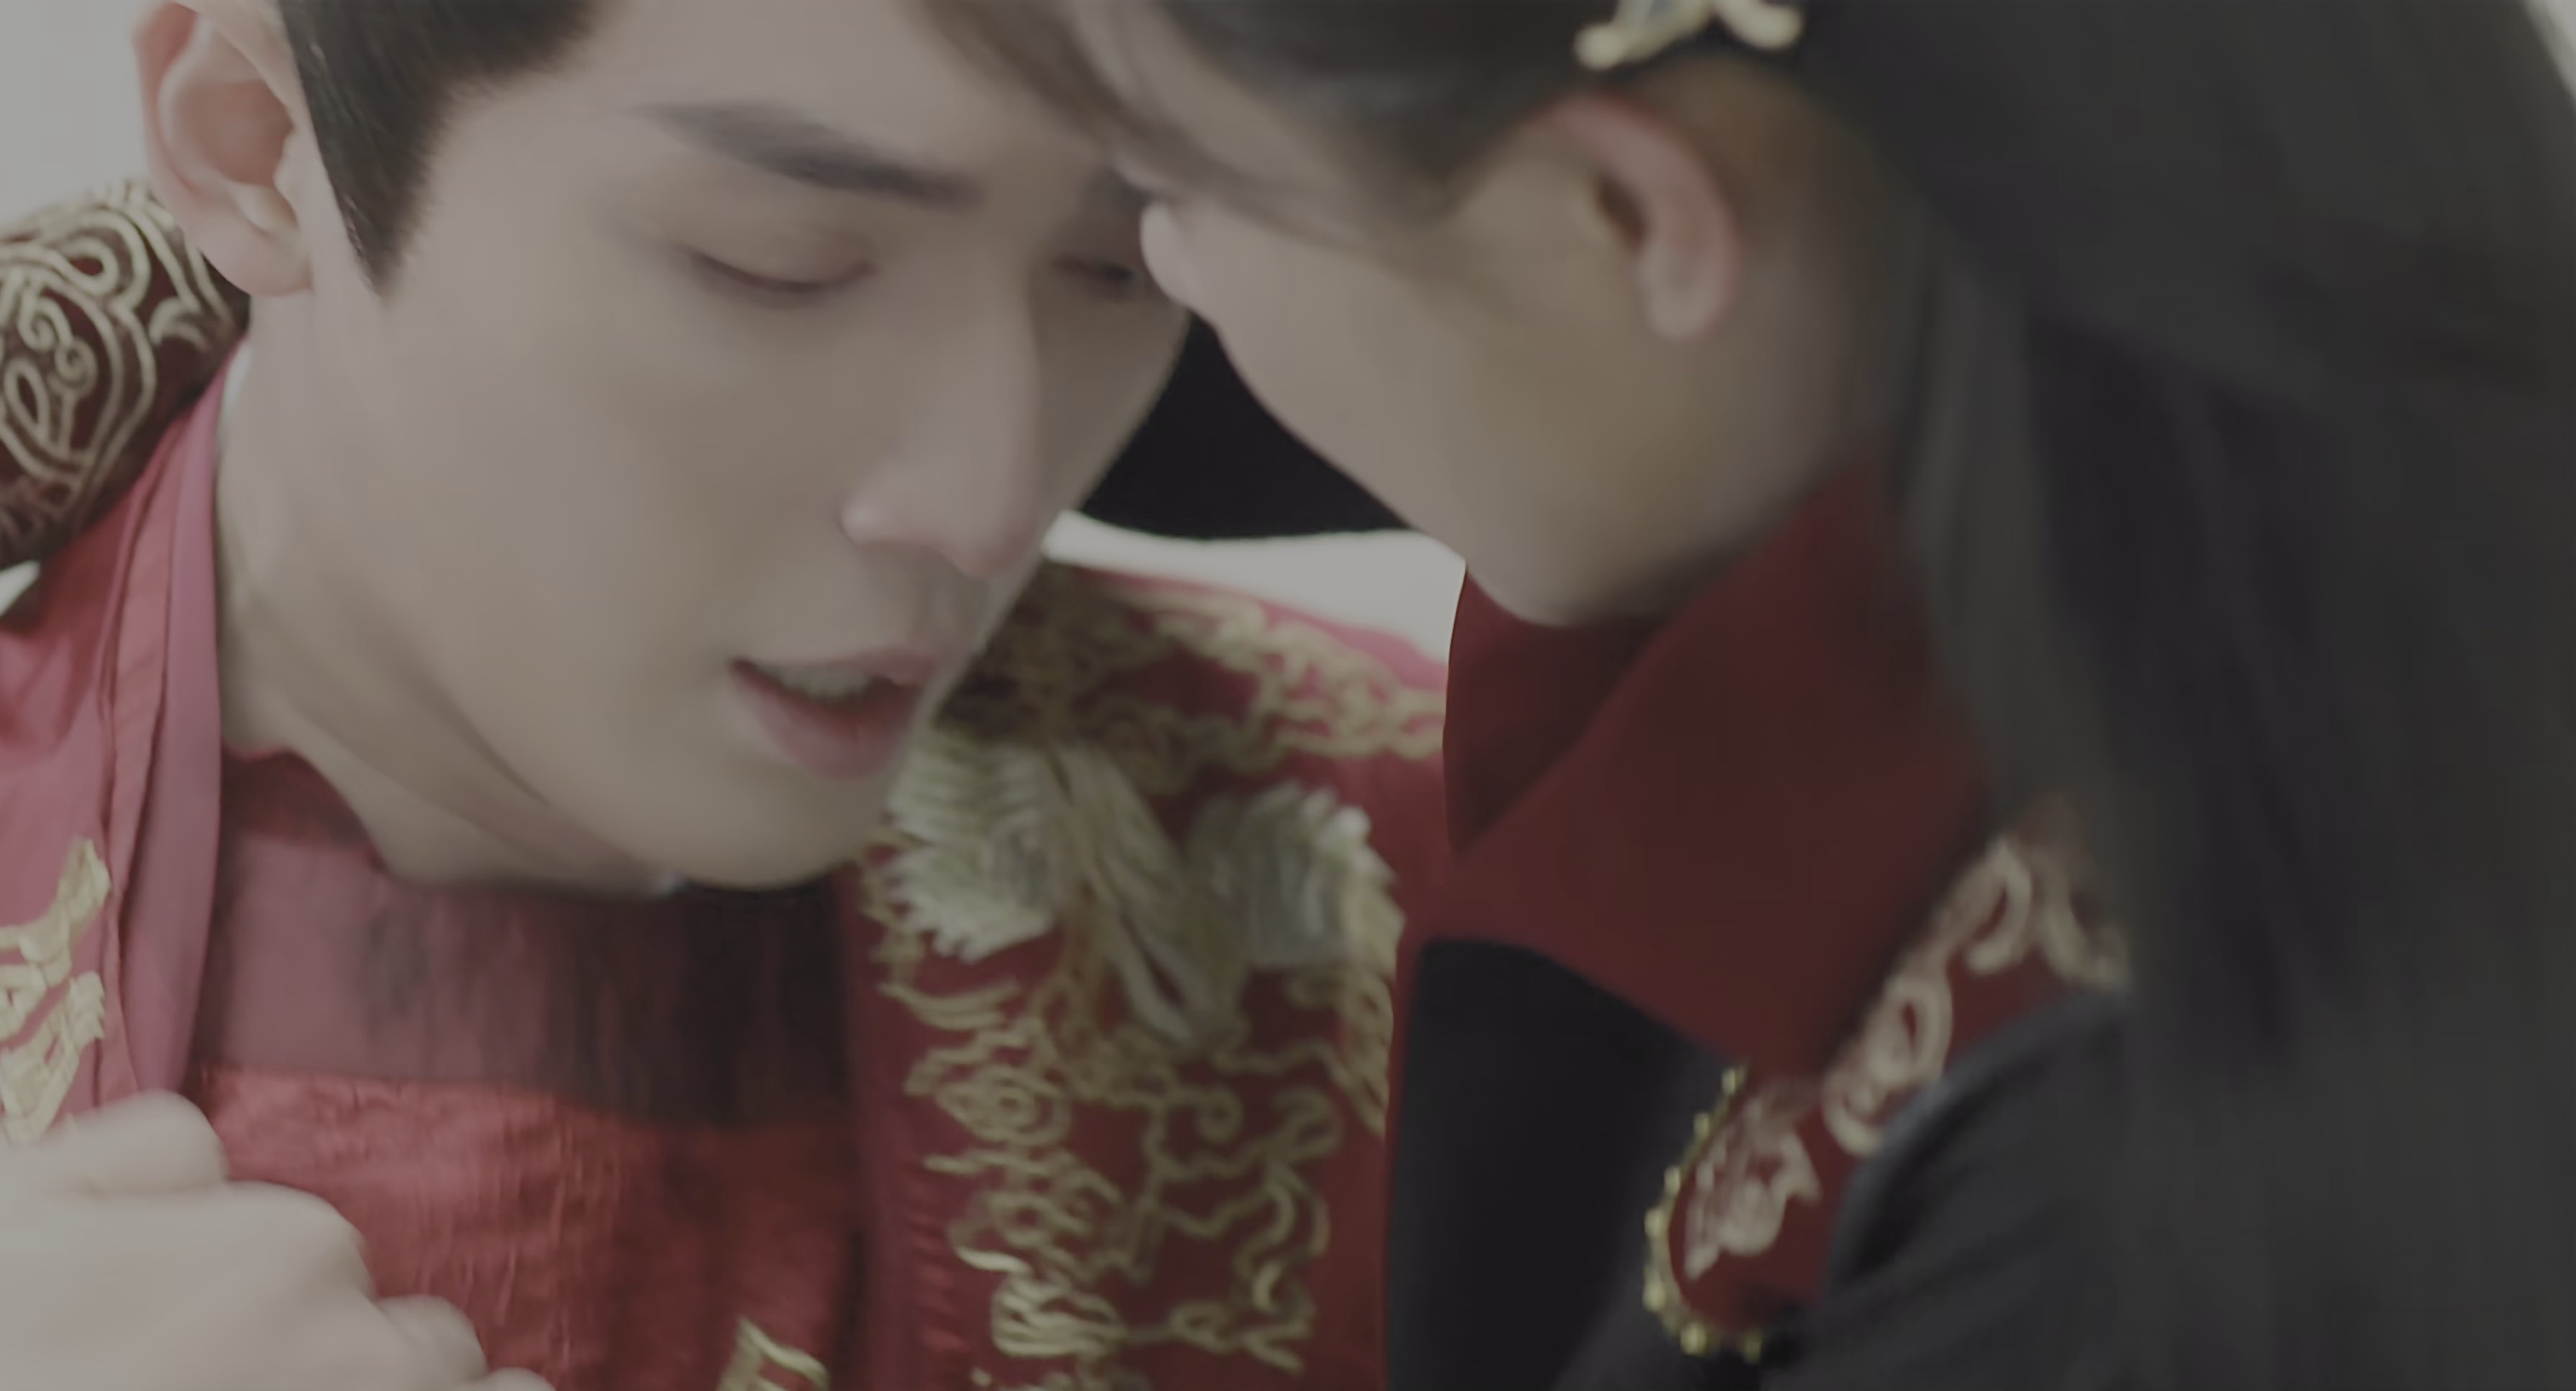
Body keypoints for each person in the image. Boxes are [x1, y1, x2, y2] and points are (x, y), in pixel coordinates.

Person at [0, 3, 1466, 1388]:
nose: (988, 494)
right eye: (778, 266)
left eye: (1122, 262)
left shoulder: (1380, 881)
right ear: (249, 143)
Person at [915, 1, 2576, 1388]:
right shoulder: (2190, 294)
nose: (1174, 277)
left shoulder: (2139, 1211)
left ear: (1630, 216)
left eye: (1166, 192)